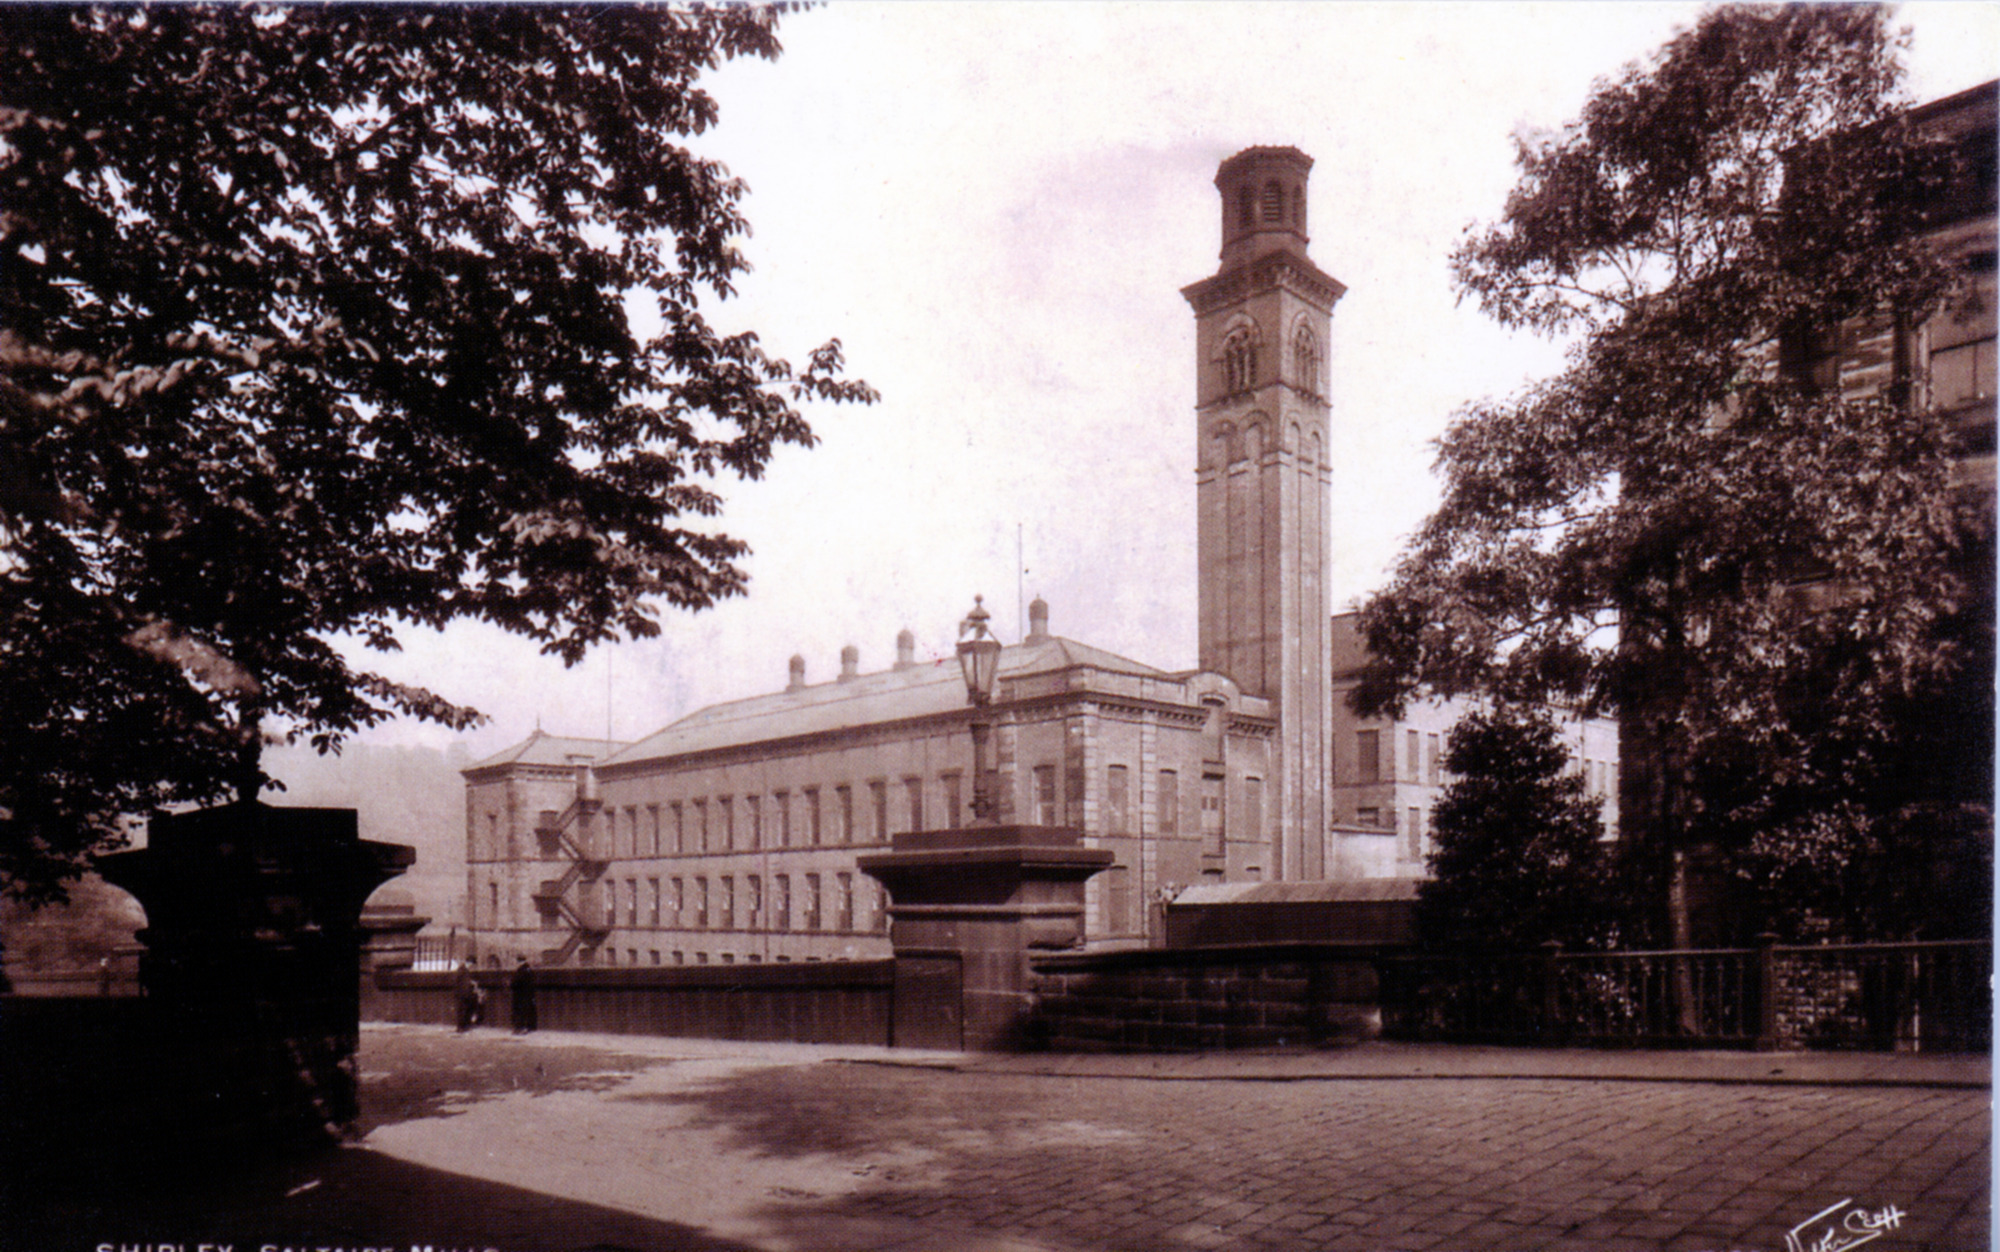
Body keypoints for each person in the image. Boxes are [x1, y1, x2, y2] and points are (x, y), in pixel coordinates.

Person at [454, 959, 484, 1032]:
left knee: (463, 1010)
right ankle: (461, 1027)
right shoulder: (463, 970)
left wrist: (471, 982)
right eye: (472, 965)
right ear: (470, 962)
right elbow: (463, 983)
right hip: (462, 994)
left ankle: (462, 1027)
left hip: (463, 994)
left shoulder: (462, 970)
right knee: (462, 1011)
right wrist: (470, 984)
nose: (472, 967)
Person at [510, 957, 537, 1034]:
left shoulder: (521, 971)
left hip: (520, 995)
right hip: (528, 994)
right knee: (527, 1011)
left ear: (518, 961)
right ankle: (527, 1027)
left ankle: (520, 1028)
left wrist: (511, 983)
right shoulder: (529, 970)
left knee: (520, 1012)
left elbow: (516, 982)